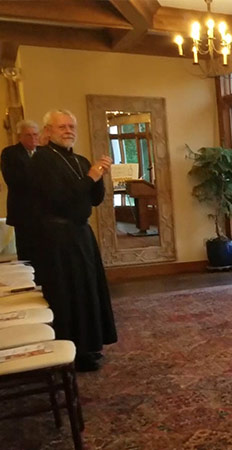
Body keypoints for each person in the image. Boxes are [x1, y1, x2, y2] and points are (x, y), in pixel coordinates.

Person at [31, 109, 117, 372]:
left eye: (72, 127)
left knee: (88, 290)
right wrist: (91, 176)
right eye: (62, 127)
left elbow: (93, 199)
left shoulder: (79, 160)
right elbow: (61, 199)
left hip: (80, 233)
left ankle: (89, 345)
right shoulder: (41, 161)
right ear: (47, 132)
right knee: (69, 293)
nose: (69, 131)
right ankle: (70, 350)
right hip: (57, 238)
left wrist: (99, 177)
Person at [1, 120, 40, 262]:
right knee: (26, 250)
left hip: (43, 211)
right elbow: (13, 180)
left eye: (35, 134)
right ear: (20, 137)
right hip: (22, 210)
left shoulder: (44, 153)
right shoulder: (10, 153)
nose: (33, 138)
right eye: (28, 135)